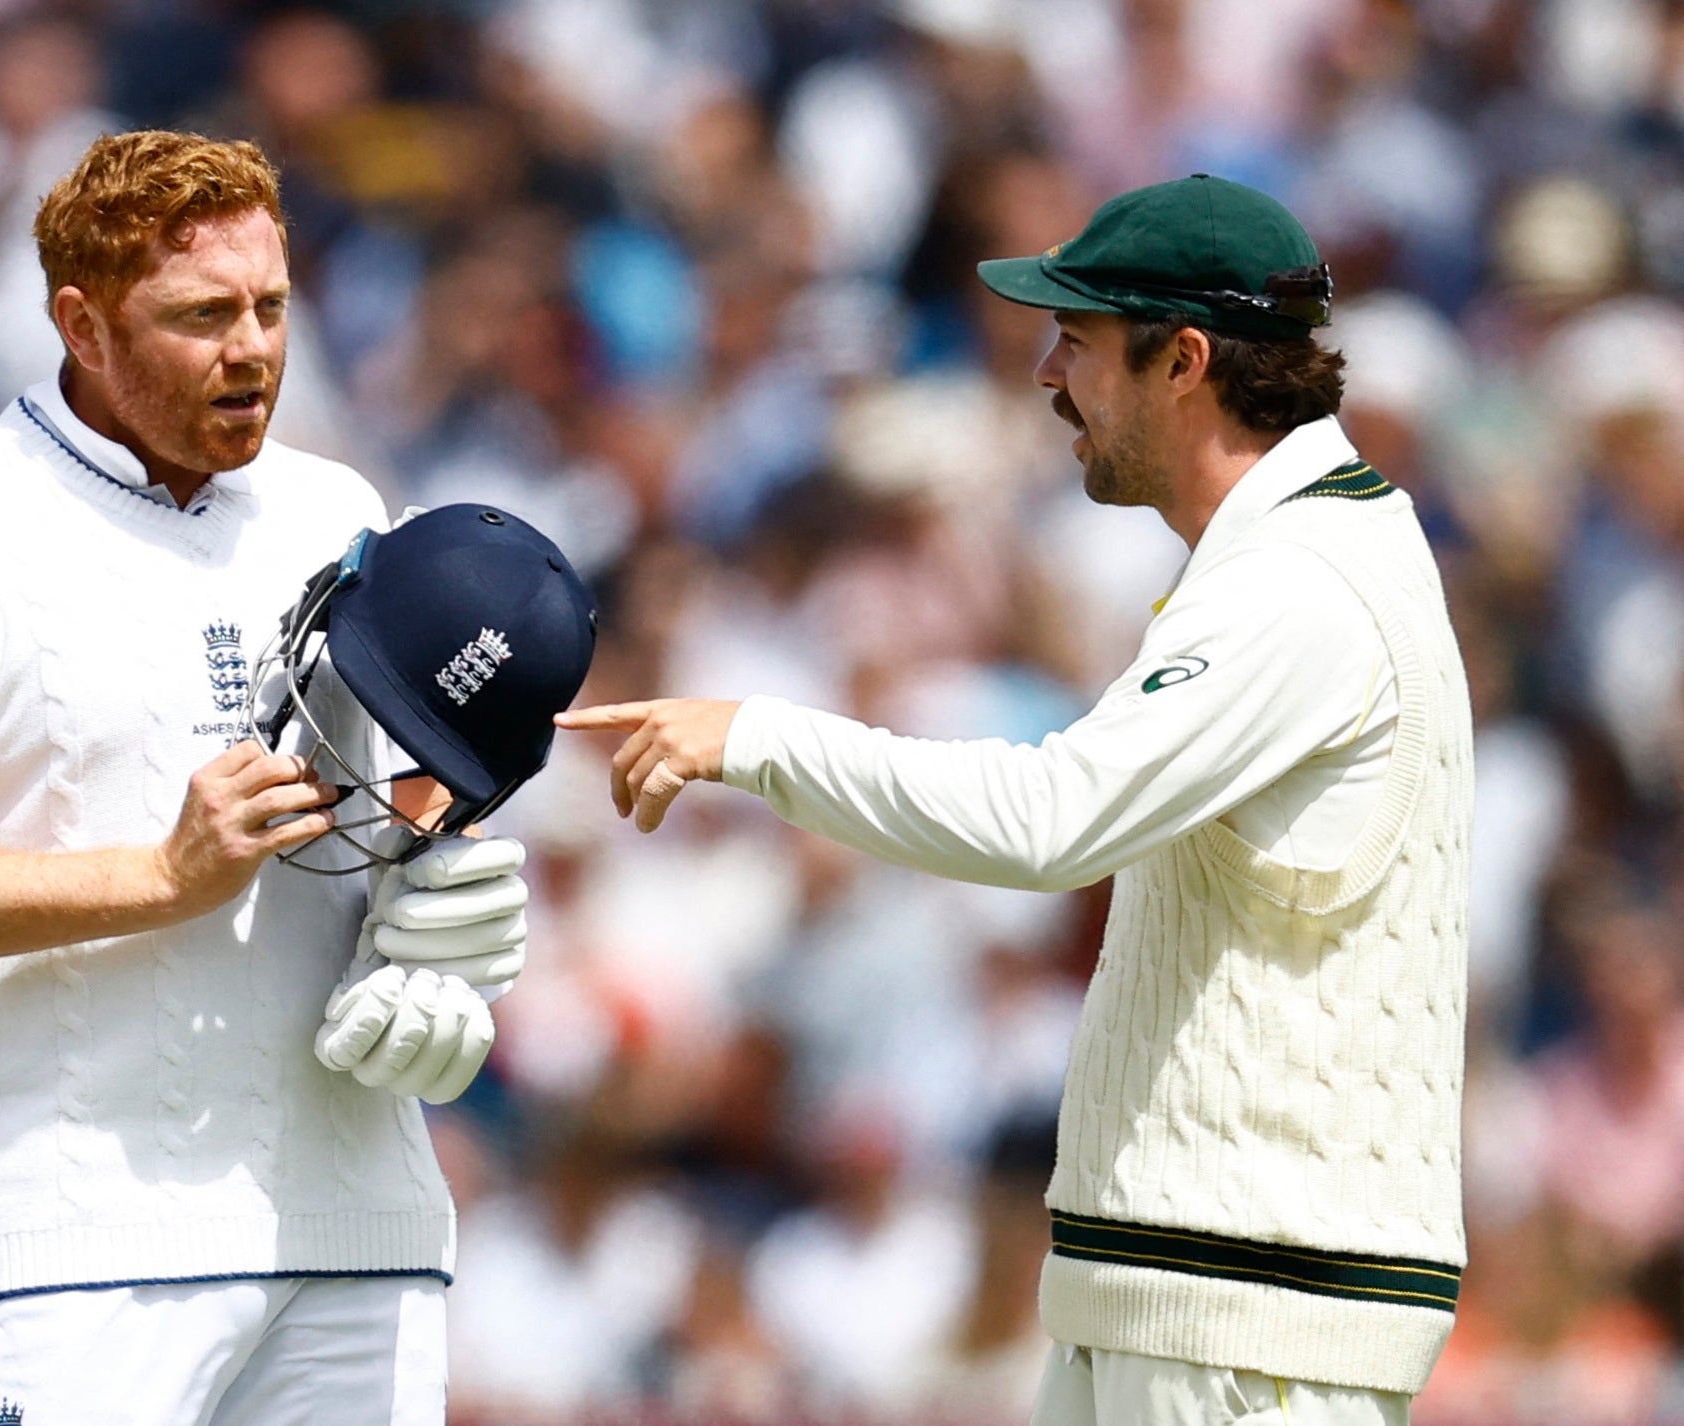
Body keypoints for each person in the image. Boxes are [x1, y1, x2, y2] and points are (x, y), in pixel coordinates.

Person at [560, 174, 1471, 1426]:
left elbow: (1054, 821)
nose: (1046, 372)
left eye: (1080, 342)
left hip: (1249, 1305)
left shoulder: (1305, 581)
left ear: (1185, 361)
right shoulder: (1284, 555)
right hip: (1187, 1288)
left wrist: (756, 736)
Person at [0, 130, 531, 1426]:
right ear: (81, 324)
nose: (252, 349)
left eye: (270, 307)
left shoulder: (339, 512)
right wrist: (159, 875)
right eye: (201, 316)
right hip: (75, 1250)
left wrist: (434, 947)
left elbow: (401, 811)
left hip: (354, 1221)